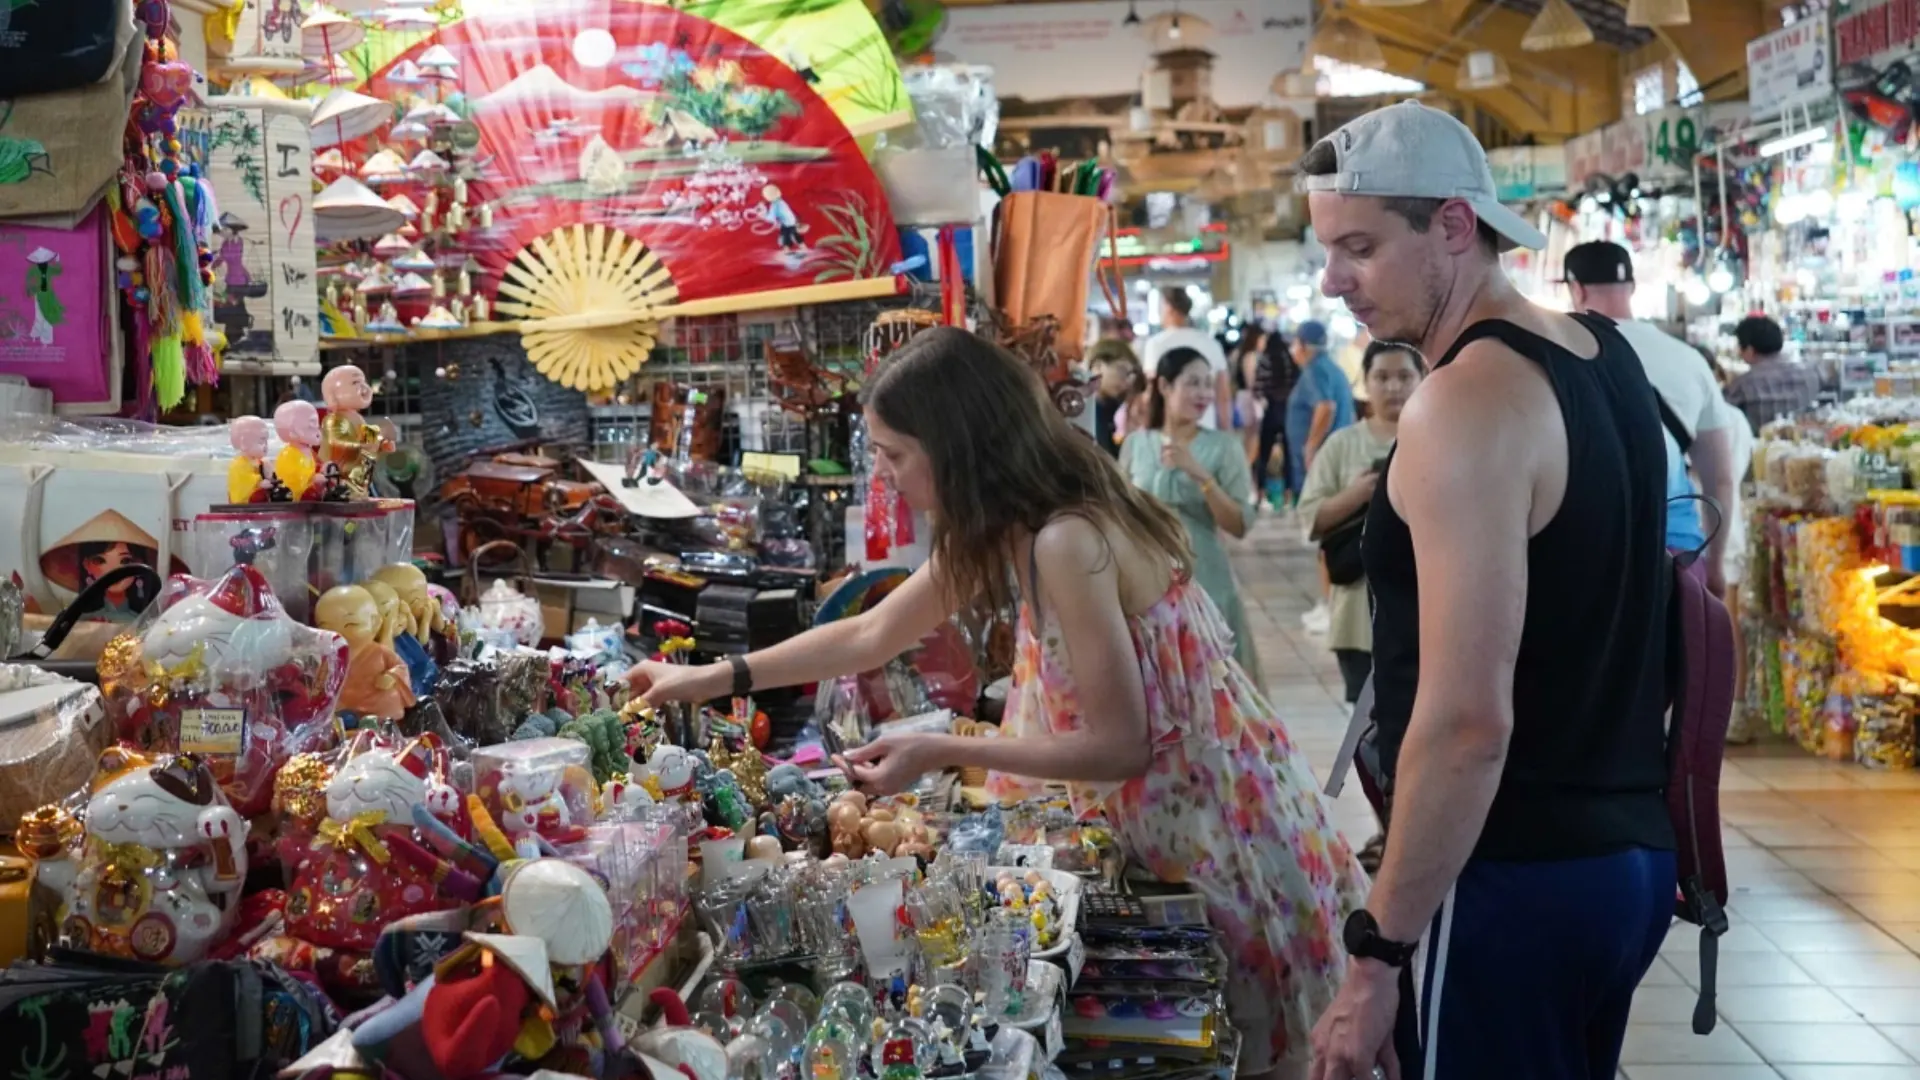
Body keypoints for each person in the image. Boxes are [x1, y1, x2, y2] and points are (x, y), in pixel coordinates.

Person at [631, 326, 1366, 1078]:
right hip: (1198, 824)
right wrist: (708, 677)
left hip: (1220, 838)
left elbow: (1122, 745)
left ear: (956, 450)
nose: (884, 477)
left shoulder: (1064, 541)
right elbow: (874, 631)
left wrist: (946, 746)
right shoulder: (1020, 522)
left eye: (894, 455)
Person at [1300, 101, 1675, 1080]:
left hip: (1510, 877)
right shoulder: (1607, 359)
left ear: (1455, 227)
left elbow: (1468, 722)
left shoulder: (1463, 403)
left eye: (1361, 248)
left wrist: (1377, 953)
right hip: (1625, 860)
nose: (1334, 280)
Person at [1562, 241, 1737, 596]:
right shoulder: (1689, 360)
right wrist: (1716, 566)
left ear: (1576, 289)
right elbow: (1720, 478)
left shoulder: (1557, 354)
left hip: (1586, 557)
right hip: (1678, 557)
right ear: (1633, 288)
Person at [1120, 346, 1265, 685]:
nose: (1204, 394)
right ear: (1165, 386)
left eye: (1208, 385)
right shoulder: (1136, 445)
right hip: (1146, 581)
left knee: (1216, 689)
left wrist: (1202, 477)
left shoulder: (1223, 447)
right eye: (1193, 383)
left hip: (1206, 577)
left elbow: (1239, 524)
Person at [1296, 342, 1425, 706]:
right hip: (1357, 618)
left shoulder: (1441, 440)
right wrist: (1358, 494)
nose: (1393, 387)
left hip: (1426, 615)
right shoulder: (1341, 445)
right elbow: (1310, 518)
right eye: (1382, 377)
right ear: (1365, 383)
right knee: (1368, 734)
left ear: (1423, 378)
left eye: (1404, 376)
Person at [1143, 286, 1232, 430]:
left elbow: (1151, 392)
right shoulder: (1211, 344)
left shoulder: (1155, 344)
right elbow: (1223, 396)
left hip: (1167, 432)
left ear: (1168, 308)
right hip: (1206, 429)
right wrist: (1227, 432)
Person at [1724, 314, 1821, 431]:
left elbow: (1721, 417)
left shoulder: (1742, 385)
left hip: (1759, 446)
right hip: (1805, 443)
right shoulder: (1809, 375)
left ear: (1749, 350)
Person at [1253, 329, 1298, 507]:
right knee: (1289, 454)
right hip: (1288, 411)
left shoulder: (1265, 359)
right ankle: (1289, 495)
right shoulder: (1290, 359)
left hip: (1271, 410)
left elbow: (1258, 387)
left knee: (1264, 453)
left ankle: (1261, 494)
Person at [1087, 338, 1140, 459]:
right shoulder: (1082, 409)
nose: (1127, 381)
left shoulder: (1120, 410)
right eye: (1122, 371)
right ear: (1097, 367)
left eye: (1130, 375)